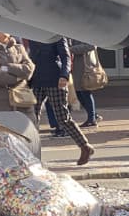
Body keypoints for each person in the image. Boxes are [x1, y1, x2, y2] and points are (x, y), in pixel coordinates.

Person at [27, 37, 94, 165]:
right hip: (36, 80)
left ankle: (85, 146)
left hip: (55, 80)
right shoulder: (33, 35)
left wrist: (64, 75)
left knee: (62, 117)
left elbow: (66, 56)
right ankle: (31, 153)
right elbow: (32, 57)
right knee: (31, 117)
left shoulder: (55, 35)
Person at [0, 30, 35, 116]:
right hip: (1, 105)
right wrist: (19, 77)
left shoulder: (19, 48)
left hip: (24, 102)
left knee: (27, 127)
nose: (3, 28)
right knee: (3, 128)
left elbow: (29, 69)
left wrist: (8, 67)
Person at [69, 40, 102, 128]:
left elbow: (92, 45)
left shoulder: (86, 32)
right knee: (79, 93)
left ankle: (92, 120)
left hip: (84, 68)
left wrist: (71, 49)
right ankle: (93, 115)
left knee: (85, 92)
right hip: (76, 68)